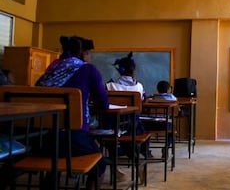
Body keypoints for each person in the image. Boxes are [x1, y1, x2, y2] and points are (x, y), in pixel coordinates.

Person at [35, 35, 109, 189]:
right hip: (71, 138)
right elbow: (103, 104)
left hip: (39, 139)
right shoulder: (88, 69)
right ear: (83, 54)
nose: (90, 57)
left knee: (56, 157)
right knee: (100, 163)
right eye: (89, 53)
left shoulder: (51, 68)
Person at [105, 52, 151, 181]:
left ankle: (115, 168)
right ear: (134, 70)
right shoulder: (139, 86)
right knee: (127, 136)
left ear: (119, 70)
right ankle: (137, 162)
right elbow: (142, 103)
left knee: (112, 135)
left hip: (112, 126)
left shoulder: (109, 86)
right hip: (133, 127)